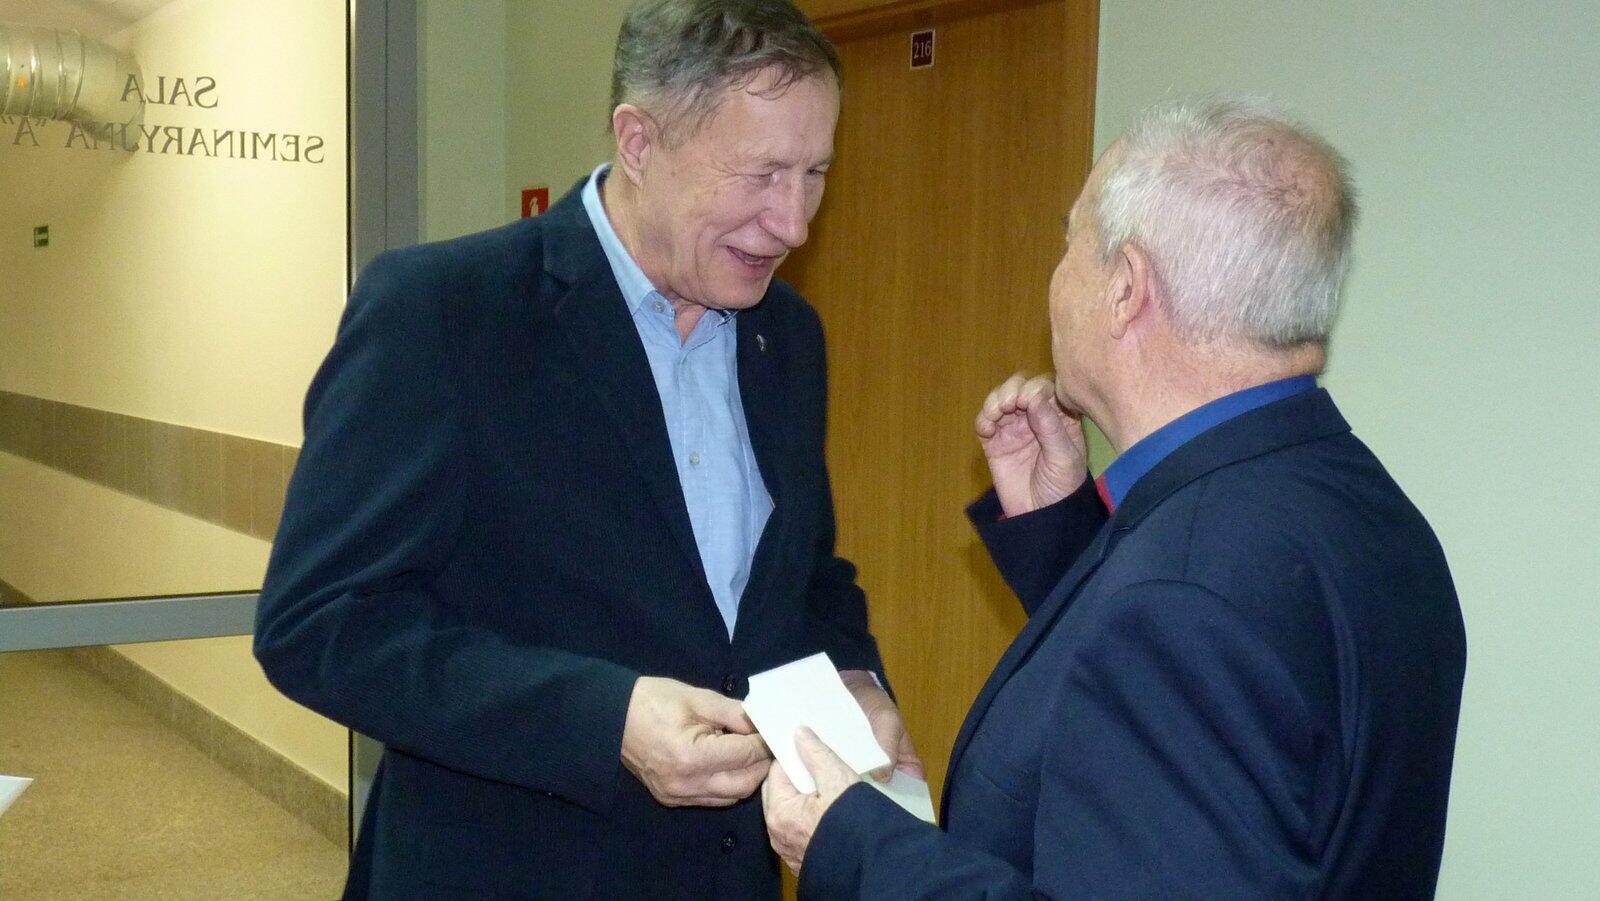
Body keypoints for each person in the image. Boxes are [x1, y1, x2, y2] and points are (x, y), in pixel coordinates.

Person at [254, 1, 919, 897]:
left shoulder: (788, 337)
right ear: (639, 142)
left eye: (815, 174)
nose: (794, 222)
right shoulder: (445, 313)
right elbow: (319, 623)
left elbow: (805, 578)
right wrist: (605, 720)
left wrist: (855, 679)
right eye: (761, 174)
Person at [761, 98, 1467, 898]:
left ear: (1126, 288)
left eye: (1070, 242)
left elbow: (1191, 644)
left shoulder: (1187, 597)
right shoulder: (1370, 513)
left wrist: (855, 843)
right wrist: (1066, 538)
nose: (1056, 274)